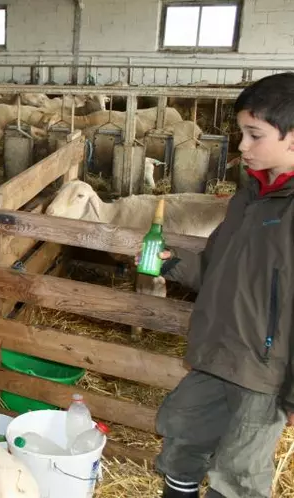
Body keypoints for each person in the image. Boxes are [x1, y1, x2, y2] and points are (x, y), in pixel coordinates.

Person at [138, 72, 294, 498]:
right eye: (241, 133)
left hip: (264, 372)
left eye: (253, 134)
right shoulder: (249, 196)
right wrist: (171, 264)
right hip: (215, 352)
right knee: (182, 432)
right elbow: (218, 268)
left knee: (238, 472)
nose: (241, 146)